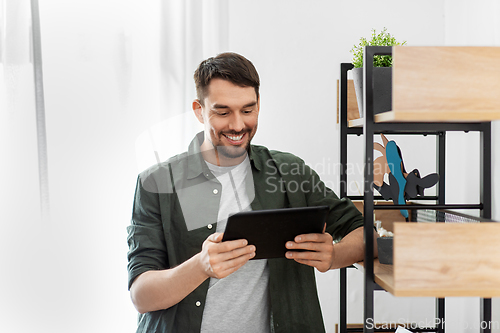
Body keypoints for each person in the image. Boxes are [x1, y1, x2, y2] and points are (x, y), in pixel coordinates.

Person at [127, 52, 375, 333]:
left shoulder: (290, 172)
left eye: (248, 110)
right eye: (222, 112)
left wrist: (335, 256)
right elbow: (141, 295)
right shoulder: (158, 183)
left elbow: (366, 233)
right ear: (198, 110)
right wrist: (201, 265)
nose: (237, 125)